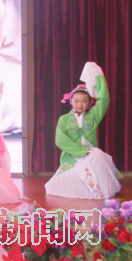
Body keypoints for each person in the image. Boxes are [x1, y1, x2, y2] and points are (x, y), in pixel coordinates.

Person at [45, 62, 121, 199]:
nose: (80, 104)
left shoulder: (93, 116)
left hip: (91, 156)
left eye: (84, 101)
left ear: (89, 103)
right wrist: (83, 151)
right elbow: (60, 141)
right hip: (73, 157)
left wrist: (98, 76)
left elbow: (104, 99)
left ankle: (97, 192)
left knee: (97, 154)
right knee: (53, 187)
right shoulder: (64, 119)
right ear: (71, 101)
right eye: (76, 101)